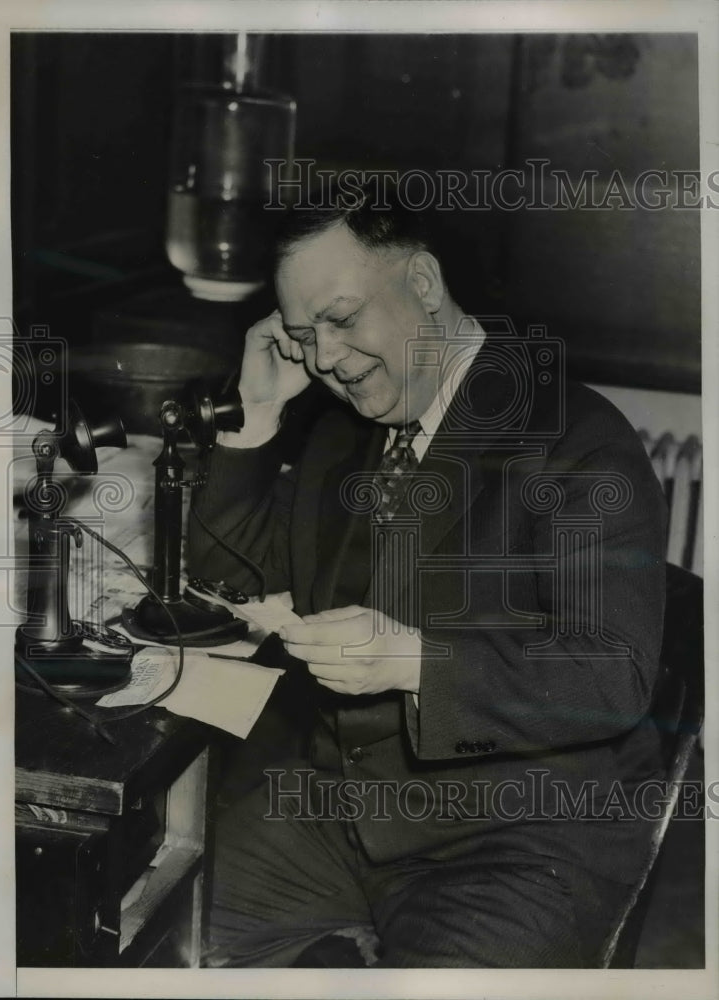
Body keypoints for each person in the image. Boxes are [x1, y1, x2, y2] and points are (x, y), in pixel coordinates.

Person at [187, 186, 668, 968]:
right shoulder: (345, 431)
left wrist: (411, 659)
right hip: (341, 809)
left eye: (341, 320)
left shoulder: (576, 437)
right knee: (158, 920)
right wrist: (258, 415)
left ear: (421, 284)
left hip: (517, 840)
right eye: (304, 336)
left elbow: (611, 674)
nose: (326, 359)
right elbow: (228, 578)